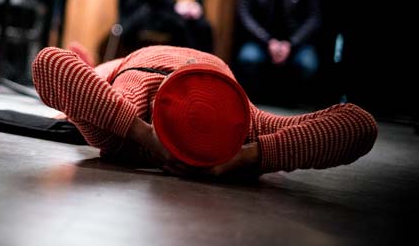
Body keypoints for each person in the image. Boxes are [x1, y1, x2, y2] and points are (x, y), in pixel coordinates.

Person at [31, 45, 377, 178]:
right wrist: (145, 135)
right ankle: (92, 65)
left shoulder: (244, 125)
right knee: (95, 85)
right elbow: (49, 62)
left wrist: (248, 157)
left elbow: (359, 124)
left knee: (88, 99)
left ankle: (91, 66)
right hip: (138, 65)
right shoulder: (132, 100)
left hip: (196, 70)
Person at [235, 0, 321, 103]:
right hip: (261, 42)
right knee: (248, 58)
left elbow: (314, 17)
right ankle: (253, 103)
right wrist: (268, 41)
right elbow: (244, 16)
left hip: (295, 44)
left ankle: (293, 103)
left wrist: (292, 43)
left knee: (308, 64)